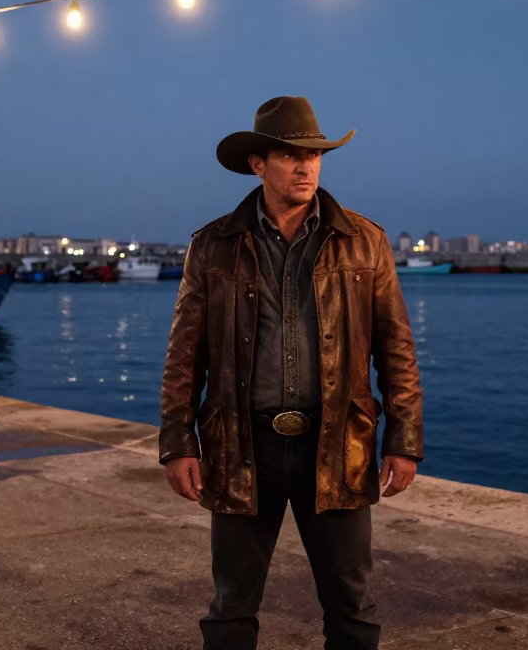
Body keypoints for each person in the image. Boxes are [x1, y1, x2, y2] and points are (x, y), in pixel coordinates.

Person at [159, 96, 424, 649]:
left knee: (353, 607)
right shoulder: (212, 246)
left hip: (338, 445)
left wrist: (404, 439)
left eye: (316, 155)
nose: (306, 167)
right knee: (230, 609)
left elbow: (396, 348)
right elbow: (185, 356)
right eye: (289, 156)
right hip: (241, 444)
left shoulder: (364, 241)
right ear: (258, 164)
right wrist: (178, 442)